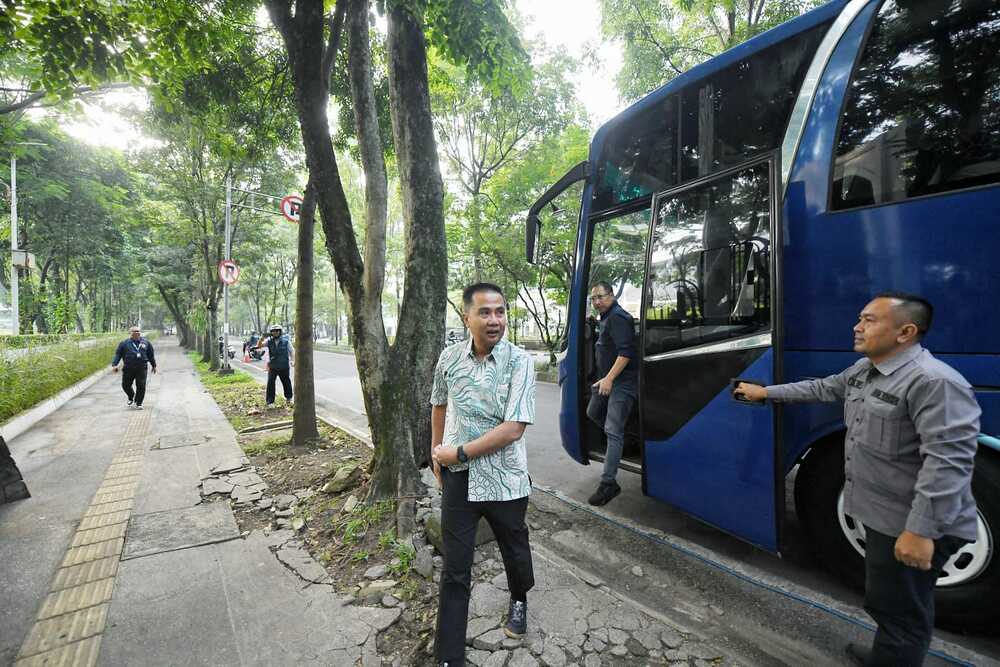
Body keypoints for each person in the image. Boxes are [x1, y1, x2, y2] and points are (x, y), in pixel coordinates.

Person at [735, 293, 980, 667]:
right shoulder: (866, 369)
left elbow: (948, 463)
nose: (857, 326)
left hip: (912, 522)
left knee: (902, 610)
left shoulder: (935, 383)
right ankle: (888, 653)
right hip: (886, 516)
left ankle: (893, 657)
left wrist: (921, 531)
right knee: (886, 600)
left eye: (868, 320)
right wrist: (766, 393)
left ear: (906, 332)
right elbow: (822, 388)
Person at [430, 283, 537, 667]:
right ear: (467, 318)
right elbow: (438, 403)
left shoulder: (520, 361)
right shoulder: (449, 359)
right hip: (459, 479)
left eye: (500, 312)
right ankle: (448, 657)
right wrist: (435, 451)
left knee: (514, 546)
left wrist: (455, 452)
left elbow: (514, 428)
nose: (495, 320)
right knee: (455, 568)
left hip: (506, 479)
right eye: (485, 312)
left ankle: (519, 598)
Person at [585, 280, 638, 506]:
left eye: (601, 297)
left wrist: (609, 378)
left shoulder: (617, 317)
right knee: (593, 412)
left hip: (622, 382)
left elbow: (626, 353)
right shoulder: (607, 317)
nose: (597, 302)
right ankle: (624, 442)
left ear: (612, 295)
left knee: (612, 429)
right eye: (594, 298)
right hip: (607, 380)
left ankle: (609, 484)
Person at [111, 326, 157, 410]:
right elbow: (118, 355)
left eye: (138, 331)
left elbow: (151, 355)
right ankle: (131, 395)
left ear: (140, 332)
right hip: (128, 368)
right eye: (134, 331)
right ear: (130, 333)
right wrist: (114, 365)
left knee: (141, 385)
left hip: (142, 368)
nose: (136, 332)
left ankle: (138, 403)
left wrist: (154, 365)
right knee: (125, 385)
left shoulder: (146, 343)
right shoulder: (124, 343)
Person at [256, 324, 293, 407]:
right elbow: (259, 345)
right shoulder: (269, 341)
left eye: (277, 331)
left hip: (284, 365)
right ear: (271, 333)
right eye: (273, 331)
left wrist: (292, 360)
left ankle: (289, 399)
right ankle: (270, 402)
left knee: (286, 382)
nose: (275, 333)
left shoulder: (286, 341)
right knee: (270, 382)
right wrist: (262, 337)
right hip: (273, 366)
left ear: (280, 332)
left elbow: (292, 351)